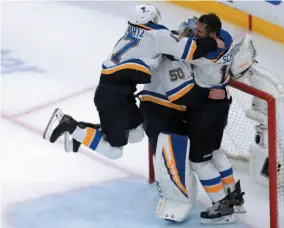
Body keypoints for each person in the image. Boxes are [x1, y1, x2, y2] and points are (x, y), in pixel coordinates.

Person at [42, 4, 224, 160]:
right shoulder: (156, 34)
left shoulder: (130, 32)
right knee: (114, 151)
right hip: (113, 97)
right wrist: (214, 43)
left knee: (136, 134)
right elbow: (192, 50)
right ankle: (70, 126)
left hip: (119, 93)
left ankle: (82, 133)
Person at [142, 14, 248, 224]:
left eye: (200, 32)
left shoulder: (203, 55)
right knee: (216, 152)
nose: (196, 35)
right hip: (222, 103)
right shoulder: (225, 39)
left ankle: (222, 206)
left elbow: (178, 50)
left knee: (198, 162)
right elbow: (203, 42)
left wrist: (179, 35)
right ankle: (234, 197)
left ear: (212, 34)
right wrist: (194, 33)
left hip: (206, 110)